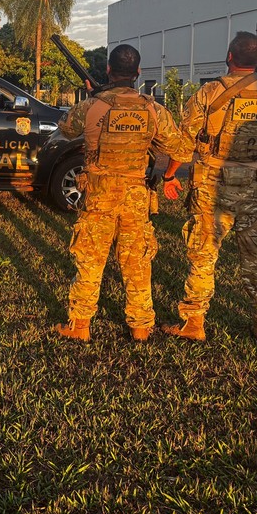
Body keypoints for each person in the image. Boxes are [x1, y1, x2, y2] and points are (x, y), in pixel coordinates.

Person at [53, 44, 190, 343]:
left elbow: (65, 129)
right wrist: (167, 174)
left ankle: (80, 326)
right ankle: (140, 327)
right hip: (136, 195)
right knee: (137, 261)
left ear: (108, 71)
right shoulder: (153, 109)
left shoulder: (92, 106)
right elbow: (181, 148)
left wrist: (94, 100)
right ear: (138, 73)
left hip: (98, 196)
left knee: (90, 260)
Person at [162, 31, 257, 342]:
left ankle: (194, 322)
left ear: (229, 56)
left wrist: (169, 176)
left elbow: (185, 141)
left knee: (204, 251)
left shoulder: (209, 93)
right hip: (256, 184)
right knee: (255, 252)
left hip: (212, 184)